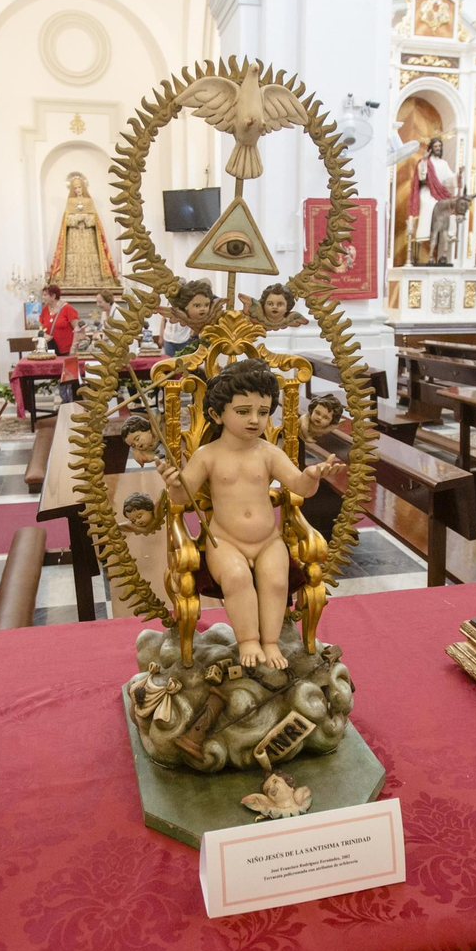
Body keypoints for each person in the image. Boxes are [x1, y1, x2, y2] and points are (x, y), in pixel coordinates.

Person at [157, 360, 342, 669]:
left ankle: (270, 642)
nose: (255, 420)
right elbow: (181, 497)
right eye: (243, 412)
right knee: (237, 577)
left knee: (276, 582)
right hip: (224, 542)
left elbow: (299, 487)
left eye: (263, 412)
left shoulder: (269, 453)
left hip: (269, 540)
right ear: (217, 414)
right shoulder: (208, 455)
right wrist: (174, 482)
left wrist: (312, 475)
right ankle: (248, 641)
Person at [408, 137, 457, 263]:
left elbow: (450, 180)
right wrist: (424, 161)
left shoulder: (444, 164)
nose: (438, 149)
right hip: (428, 192)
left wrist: (458, 176)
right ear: (431, 148)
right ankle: (421, 236)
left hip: (440, 192)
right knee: (429, 206)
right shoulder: (425, 162)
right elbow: (421, 176)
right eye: (435, 146)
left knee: (451, 209)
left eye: (439, 146)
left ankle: (450, 237)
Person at [158, 278, 217, 356]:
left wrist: (192, 333)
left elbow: (194, 317)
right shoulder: (169, 301)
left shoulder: (190, 301)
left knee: (185, 363)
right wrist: (161, 336)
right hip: (168, 338)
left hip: (184, 338)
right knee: (170, 364)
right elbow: (164, 320)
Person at [237, 282, 309, 330]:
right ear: (264, 305)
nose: (274, 307)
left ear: (288, 306)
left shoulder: (289, 319)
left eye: (280, 304)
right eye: (270, 304)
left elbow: (304, 321)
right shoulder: (257, 315)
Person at [38, 284, 78, 356]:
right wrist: (44, 334)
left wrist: (74, 347)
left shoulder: (67, 308)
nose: (43, 297)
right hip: (51, 349)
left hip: (67, 351)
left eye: (45, 295)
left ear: (53, 296)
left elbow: (77, 329)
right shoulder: (45, 310)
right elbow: (41, 326)